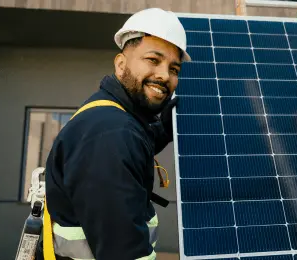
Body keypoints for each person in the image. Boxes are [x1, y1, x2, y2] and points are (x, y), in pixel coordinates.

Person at [35, 8, 191, 260]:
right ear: (121, 65)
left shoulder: (113, 118)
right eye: (153, 59)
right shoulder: (111, 134)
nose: (164, 75)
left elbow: (127, 156)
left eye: (174, 69)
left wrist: (161, 131)